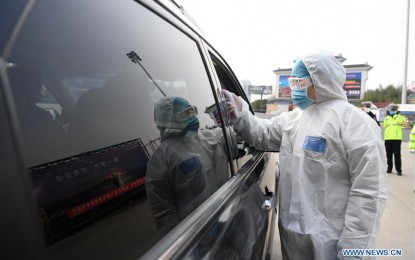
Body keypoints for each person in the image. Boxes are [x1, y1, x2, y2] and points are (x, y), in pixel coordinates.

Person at [226, 50, 387, 260]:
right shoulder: (295, 118)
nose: (294, 88)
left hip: (332, 242)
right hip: (293, 236)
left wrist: (355, 251)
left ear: (321, 81)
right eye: (293, 82)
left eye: (299, 82)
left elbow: (369, 193)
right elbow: (263, 134)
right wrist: (240, 113)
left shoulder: (356, 123)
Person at [145, 96, 229, 236]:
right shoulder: (160, 160)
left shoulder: (209, 137)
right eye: (185, 114)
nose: (193, 117)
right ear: (167, 120)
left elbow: (235, 135)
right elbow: (164, 214)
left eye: (192, 111)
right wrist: (184, 242)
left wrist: (237, 116)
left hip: (225, 217)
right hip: (196, 235)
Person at [383, 105, 406, 175]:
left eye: (393, 110)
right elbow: (384, 125)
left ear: (396, 111)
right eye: (391, 110)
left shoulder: (401, 117)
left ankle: (399, 170)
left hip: (396, 138)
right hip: (388, 138)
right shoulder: (387, 118)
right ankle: (389, 168)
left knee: (397, 155)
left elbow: (401, 122)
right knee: (388, 155)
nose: (392, 111)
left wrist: (395, 116)